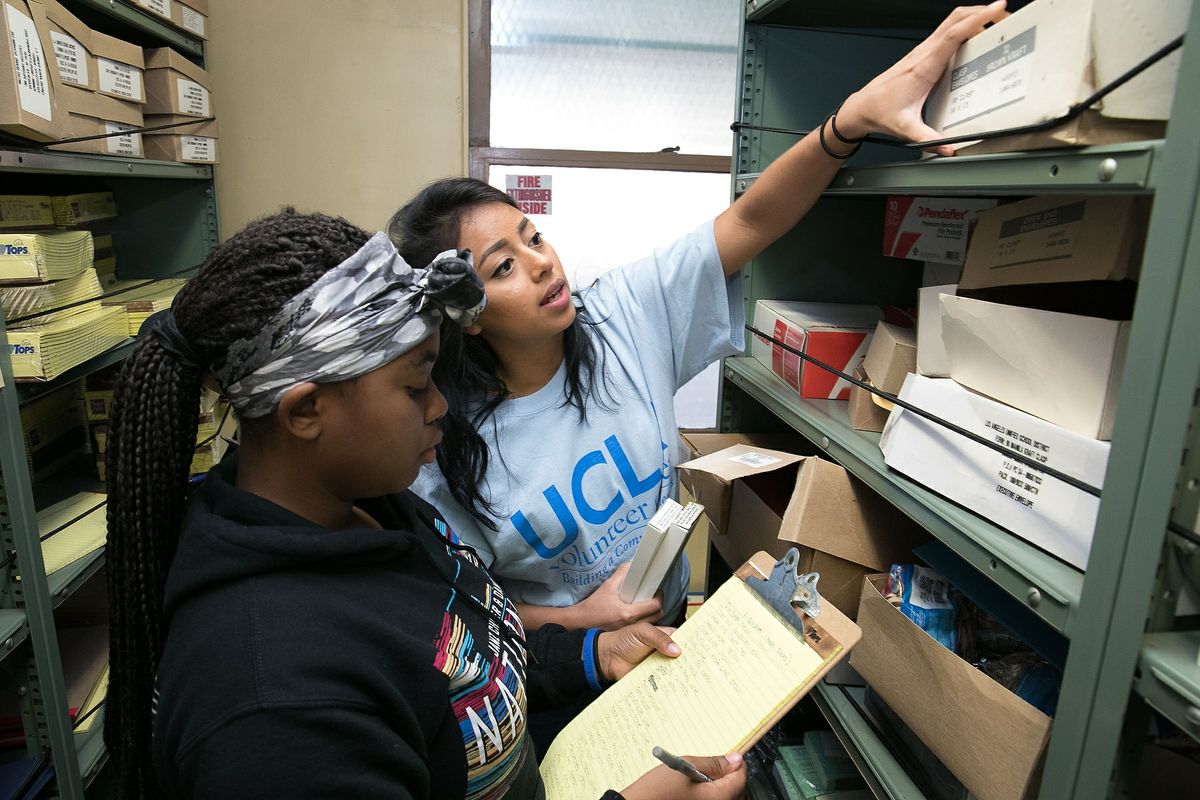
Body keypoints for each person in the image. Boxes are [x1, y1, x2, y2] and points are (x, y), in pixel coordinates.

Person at [388, 1, 1009, 635]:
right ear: (467, 317)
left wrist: (848, 123)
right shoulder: (445, 445)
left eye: (534, 238)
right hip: (563, 667)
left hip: (672, 630)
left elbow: (750, 220)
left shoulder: (621, 317)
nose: (542, 264)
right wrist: (576, 619)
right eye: (503, 267)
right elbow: (457, 609)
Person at [103, 209, 746, 799]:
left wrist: (590, 656)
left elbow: (457, 660)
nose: (440, 406)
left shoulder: (376, 512)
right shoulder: (274, 705)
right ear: (306, 411)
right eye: (415, 387)